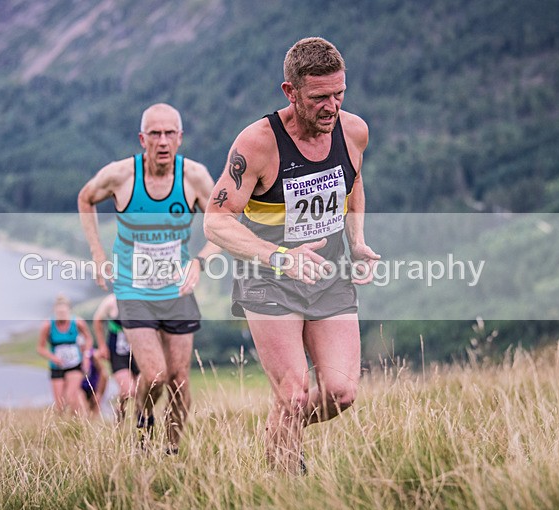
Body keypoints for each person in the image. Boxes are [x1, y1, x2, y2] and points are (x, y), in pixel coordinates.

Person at [204, 37, 380, 473]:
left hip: (329, 274)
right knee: (294, 392)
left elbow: (353, 182)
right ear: (290, 91)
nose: (332, 106)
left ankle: (280, 430)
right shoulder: (258, 143)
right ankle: (283, 480)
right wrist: (280, 256)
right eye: (319, 97)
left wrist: (357, 240)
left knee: (340, 393)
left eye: (339, 93)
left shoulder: (353, 130)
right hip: (269, 278)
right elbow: (216, 220)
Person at [78, 103, 222, 453]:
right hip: (133, 290)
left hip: (177, 291)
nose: (162, 141)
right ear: (142, 139)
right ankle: (142, 425)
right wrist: (98, 253)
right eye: (154, 134)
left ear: (180, 137)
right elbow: (86, 198)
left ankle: (170, 454)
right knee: (155, 375)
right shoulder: (121, 175)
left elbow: (223, 223)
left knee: (179, 382)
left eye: (169, 133)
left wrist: (199, 262)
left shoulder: (195, 177)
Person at [37, 294, 94, 416]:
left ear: (69, 310)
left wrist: (86, 357)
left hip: (74, 364)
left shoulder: (78, 322)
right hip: (56, 366)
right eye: (59, 312)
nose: (62, 314)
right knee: (60, 405)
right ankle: (63, 428)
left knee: (70, 397)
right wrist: (54, 358)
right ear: (55, 311)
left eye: (64, 311)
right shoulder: (47, 325)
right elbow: (40, 348)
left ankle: (77, 424)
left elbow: (89, 339)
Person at [93, 293, 139, 421]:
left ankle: (140, 421)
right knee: (130, 390)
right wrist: (102, 345)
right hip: (118, 353)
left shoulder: (141, 298)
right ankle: (120, 412)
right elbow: (97, 320)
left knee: (142, 391)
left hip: (138, 352)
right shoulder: (111, 301)